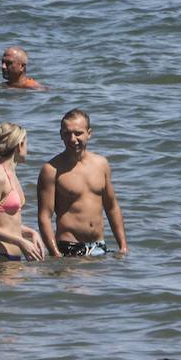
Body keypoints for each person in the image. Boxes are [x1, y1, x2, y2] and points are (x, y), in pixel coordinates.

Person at [37, 109, 127, 257]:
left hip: (100, 247)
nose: (72, 139)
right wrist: (55, 253)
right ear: (61, 135)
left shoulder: (101, 164)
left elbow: (111, 207)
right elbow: (44, 217)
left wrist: (123, 245)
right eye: (67, 134)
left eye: (78, 133)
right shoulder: (51, 170)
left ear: (89, 133)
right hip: (69, 248)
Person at [0, 122, 43, 262]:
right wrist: (21, 241)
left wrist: (31, 233)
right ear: (19, 145)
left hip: (10, 259)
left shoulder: (11, 174)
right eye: (26, 143)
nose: (28, 149)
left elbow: (6, 223)